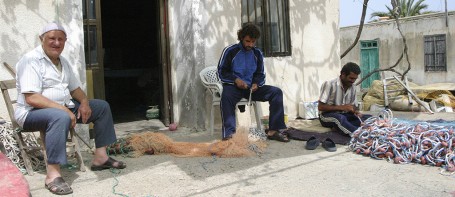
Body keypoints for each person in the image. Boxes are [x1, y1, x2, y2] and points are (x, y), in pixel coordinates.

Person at [15, 22, 126, 195]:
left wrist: (84, 102)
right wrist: (64, 110)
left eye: (61, 39)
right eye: (52, 38)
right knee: (60, 116)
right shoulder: (31, 60)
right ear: (41, 39)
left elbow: (75, 89)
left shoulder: (63, 62)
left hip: (62, 110)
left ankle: (101, 158)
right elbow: (32, 98)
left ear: (65, 41)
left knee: (102, 107)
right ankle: (52, 175)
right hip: (30, 114)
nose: (56, 43)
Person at [217, 23, 289, 142]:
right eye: (247, 41)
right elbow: (221, 71)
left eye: (253, 42)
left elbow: (260, 74)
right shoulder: (230, 51)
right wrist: (236, 80)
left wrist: (256, 83)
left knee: (276, 92)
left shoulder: (257, 54)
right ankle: (229, 135)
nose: (250, 44)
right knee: (226, 96)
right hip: (234, 87)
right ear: (241, 38)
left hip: (250, 88)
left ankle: (274, 131)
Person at [318, 62, 371, 136]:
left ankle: (340, 127)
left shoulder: (353, 87)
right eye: (351, 78)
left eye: (355, 79)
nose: (353, 81)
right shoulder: (329, 84)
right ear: (343, 74)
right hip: (326, 115)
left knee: (367, 117)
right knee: (340, 118)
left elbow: (353, 106)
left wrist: (356, 111)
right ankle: (359, 134)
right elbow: (320, 107)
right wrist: (342, 107)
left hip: (345, 114)